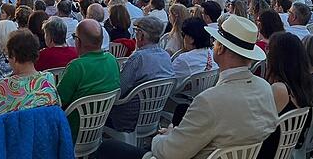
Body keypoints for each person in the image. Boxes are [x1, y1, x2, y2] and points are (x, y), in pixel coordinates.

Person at [100, 14, 278, 159]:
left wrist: (161, 137)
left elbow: (169, 153)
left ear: (221, 49)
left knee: (108, 148)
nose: (213, 45)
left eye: (215, 41)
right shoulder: (263, 87)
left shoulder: (211, 101)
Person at [107, 16, 175, 132]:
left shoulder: (138, 58)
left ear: (141, 35)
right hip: (153, 115)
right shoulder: (165, 56)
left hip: (127, 118)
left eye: (136, 31)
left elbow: (119, 90)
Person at [257, 31, 313, 159]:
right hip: (285, 150)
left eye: (269, 50)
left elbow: (260, 128)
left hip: (266, 151)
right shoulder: (304, 85)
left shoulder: (280, 90)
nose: (267, 53)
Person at [58, 19, 120, 140]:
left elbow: (59, 100)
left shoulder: (77, 67)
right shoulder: (112, 60)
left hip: (73, 129)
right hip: (98, 127)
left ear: (78, 41)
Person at [0, 29, 59, 120]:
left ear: (14, 57)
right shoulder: (48, 79)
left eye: (8, 56)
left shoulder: (3, 86)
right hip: (43, 133)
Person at [172, 17, 217, 82]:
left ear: (191, 39)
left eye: (183, 34)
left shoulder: (183, 59)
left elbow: (169, 80)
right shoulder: (212, 53)